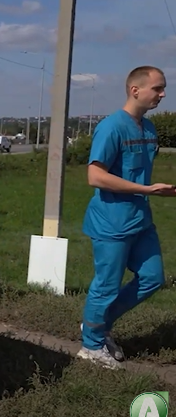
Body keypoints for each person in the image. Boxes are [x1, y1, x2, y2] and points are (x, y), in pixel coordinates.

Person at [79, 65, 176, 369]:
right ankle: (91, 347)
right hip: (112, 222)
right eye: (157, 88)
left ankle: (98, 324)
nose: (162, 94)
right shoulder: (111, 127)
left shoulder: (148, 129)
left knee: (152, 278)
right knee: (106, 285)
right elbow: (95, 176)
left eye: (163, 89)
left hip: (140, 219)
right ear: (135, 90)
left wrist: (153, 191)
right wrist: (146, 189)